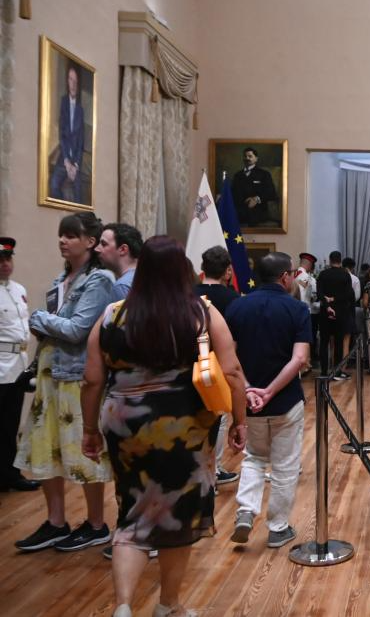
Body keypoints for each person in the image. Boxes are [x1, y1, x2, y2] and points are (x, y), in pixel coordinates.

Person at [80, 235, 248, 617]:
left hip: (126, 427)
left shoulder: (112, 315)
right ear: (182, 270)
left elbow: (91, 380)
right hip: (185, 426)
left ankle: (123, 606)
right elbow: (232, 372)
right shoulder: (202, 313)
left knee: (132, 512)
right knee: (177, 515)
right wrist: (240, 421)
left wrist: (89, 429)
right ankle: (168, 605)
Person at [14, 212, 114, 552]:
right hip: (49, 372)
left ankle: (96, 524)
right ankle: (56, 521)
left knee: (82, 450)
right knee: (46, 446)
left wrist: (39, 318)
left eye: (70, 235)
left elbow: (77, 330)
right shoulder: (62, 278)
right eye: (61, 234)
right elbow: (60, 327)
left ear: (90, 241)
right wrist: (46, 323)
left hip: (76, 375)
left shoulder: (99, 279)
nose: (62, 240)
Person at [227, 252, 311, 550]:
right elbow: (299, 359)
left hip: (248, 401)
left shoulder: (237, 307)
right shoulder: (297, 309)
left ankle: (246, 510)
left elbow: (229, 358)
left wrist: (250, 389)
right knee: (285, 465)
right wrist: (271, 391)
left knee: (254, 456)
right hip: (285, 400)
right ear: (285, 277)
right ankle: (278, 528)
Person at [195, 245, 241, 487]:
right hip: (220, 366)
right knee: (220, 417)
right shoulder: (232, 298)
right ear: (227, 271)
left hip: (191, 365)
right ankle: (214, 470)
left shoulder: (189, 294)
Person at [0, 237, 38, 492]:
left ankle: (10, 475)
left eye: (8, 258)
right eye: (0, 260)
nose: (5, 264)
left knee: (10, 424)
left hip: (17, 365)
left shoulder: (18, 289)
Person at [49, 65, 86, 204]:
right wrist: (66, 161)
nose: (73, 84)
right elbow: (62, 136)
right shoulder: (63, 103)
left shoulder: (80, 110)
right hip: (63, 160)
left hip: (75, 163)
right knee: (53, 184)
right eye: (71, 80)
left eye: (75, 81)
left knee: (79, 196)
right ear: (67, 82)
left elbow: (81, 142)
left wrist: (75, 165)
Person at [317, 251, 355, 378]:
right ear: (340, 260)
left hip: (325, 312)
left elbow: (319, 293)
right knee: (338, 343)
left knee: (324, 342)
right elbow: (348, 294)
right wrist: (336, 299)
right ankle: (337, 371)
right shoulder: (345, 275)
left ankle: (323, 371)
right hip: (340, 313)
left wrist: (326, 300)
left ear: (330, 260)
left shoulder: (323, 274)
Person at [231, 147, 278, 227]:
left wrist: (256, 199)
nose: (247, 158)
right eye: (245, 156)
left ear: (256, 159)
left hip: (258, 210)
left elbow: (271, 193)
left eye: (250, 156)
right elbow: (233, 192)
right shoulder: (237, 175)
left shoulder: (264, 174)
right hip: (240, 209)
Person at [95, 223, 142, 300]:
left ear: (123, 249)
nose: (96, 249)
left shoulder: (122, 286)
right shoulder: (148, 276)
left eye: (103, 244)